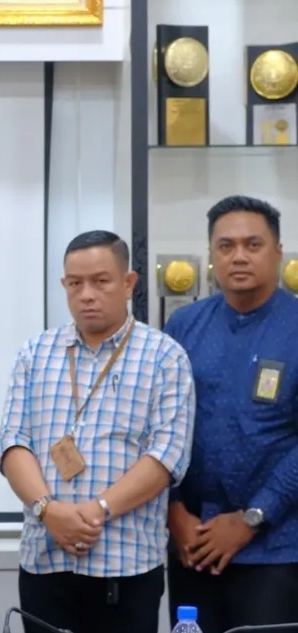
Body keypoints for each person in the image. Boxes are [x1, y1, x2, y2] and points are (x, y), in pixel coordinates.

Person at [0, 230, 195, 633]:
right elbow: (12, 443)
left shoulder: (164, 356)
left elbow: (167, 456)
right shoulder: (35, 353)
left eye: (101, 281)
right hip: (45, 560)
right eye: (75, 283)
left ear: (128, 283)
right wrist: (49, 511)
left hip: (125, 565)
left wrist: (96, 510)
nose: (86, 294)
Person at [165, 196, 298, 633]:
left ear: (278, 252)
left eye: (252, 245)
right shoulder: (183, 327)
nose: (239, 256)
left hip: (277, 550)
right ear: (211, 254)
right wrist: (174, 511)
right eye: (226, 246)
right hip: (192, 545)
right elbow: (161, 427)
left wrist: (253, 517)